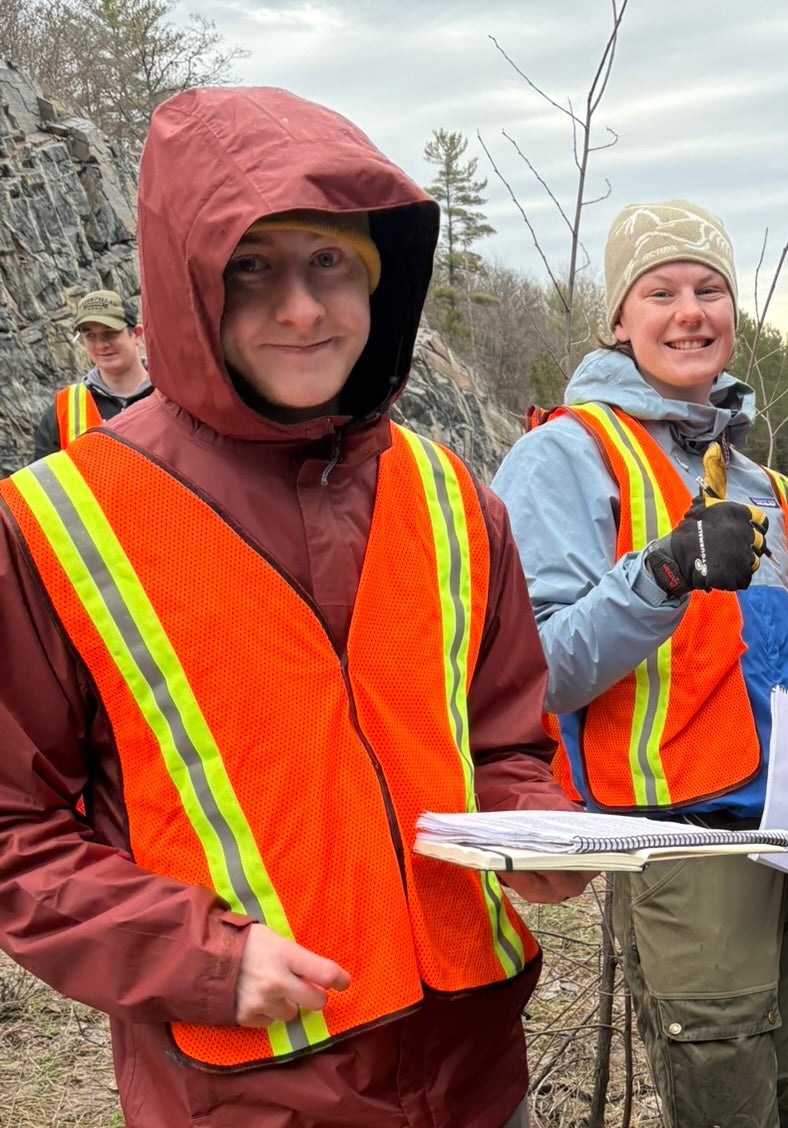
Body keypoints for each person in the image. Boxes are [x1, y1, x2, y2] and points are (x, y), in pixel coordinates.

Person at [0, 85, 590, 1128]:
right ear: (188, 291)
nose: (303, 309)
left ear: (379, 277)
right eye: (252, 269)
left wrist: (535, 829)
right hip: (246, 1090)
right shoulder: (55, 520)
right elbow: (16, 830)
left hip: (476, 1070)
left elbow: (503, 745)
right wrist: (200, 958)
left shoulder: (454, 497)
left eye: (329, 263)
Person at [494, 199, 788, 1128]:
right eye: (660, 290)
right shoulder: (565, 456)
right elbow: (536, 672)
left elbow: (775, 659)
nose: (690, 311)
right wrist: (666, 572)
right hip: (684, 839)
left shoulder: (751, 477)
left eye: (709, 288)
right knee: (729, 1106)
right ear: (617, 317)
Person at [33, 289, 153, 458]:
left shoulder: (169, 394)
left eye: (110, 333)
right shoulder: (65, 408)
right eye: (90, 336)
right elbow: (42, 479)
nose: (101, 344)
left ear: (137, 334)